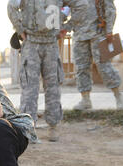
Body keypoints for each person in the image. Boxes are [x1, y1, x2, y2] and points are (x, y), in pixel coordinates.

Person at [7, 0, 88, 142]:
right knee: (35, 88)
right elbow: (82, 5)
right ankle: (35, 129)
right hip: (36, 43)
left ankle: (44, 128)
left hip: (44, 43)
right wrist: (20, 30)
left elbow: (82, 5)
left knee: (48, 87)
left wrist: (66, 27)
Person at [63, 0, 123, 110]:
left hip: (98, 33)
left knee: (104, 66)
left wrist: (109, 30)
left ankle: (118, 96)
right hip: (79, 35)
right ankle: (85, 100)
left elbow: (110, 9)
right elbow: (63, 9)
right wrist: (63, 28)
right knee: (81, 68)